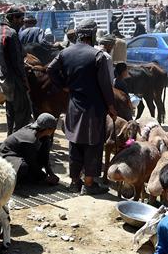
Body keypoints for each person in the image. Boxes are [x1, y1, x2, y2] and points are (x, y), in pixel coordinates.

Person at [48, 19, 117, 195]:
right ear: (92, 34)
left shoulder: (65, 53)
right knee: (93, 145)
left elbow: (50, 69)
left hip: (73, 106)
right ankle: (89, 184)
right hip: (93, 108)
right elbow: (105, 85)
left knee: (75, 143)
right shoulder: (97, 56)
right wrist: (111, 106)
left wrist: (63, 85)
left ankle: (74, 182)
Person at [0, 5, 33, 134]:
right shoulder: (12, 33)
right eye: (20, 18)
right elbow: (17, 62)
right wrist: (24, 81)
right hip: (15, 81)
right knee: (22, 113)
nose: (22, 21)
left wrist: (4, 63)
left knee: (10, 111)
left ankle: (10, 137)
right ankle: (18, 142)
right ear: (13, 18)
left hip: (3, 78)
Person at [0, 112, 59, 187]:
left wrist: (51, 174)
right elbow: (31, 162)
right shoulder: (30, 139)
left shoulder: (44, 136)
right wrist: (45, 178)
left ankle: (28, 177)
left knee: (37, 166)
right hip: (5, 156)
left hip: (21, 155)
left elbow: (45, 158)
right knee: (23, 167)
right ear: (47, 129)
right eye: (53, 129)